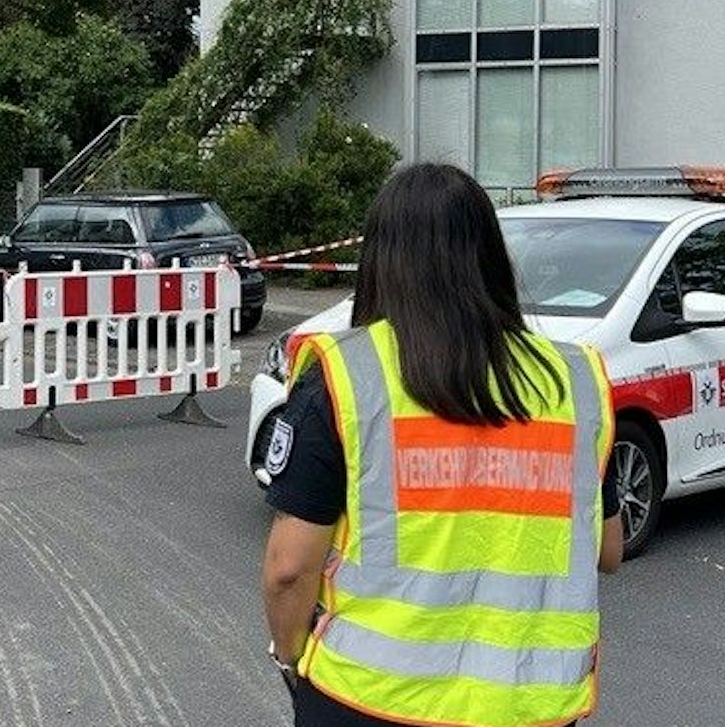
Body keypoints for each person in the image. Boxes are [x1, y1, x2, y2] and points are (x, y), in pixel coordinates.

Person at [261, 162, 622, 727]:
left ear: (382, 258)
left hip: (370, 701)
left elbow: (289, 569)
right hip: (527, 707)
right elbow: (608, 550)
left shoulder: (349, 374)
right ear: (490, 256)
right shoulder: (574, 381)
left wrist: (289, 657)